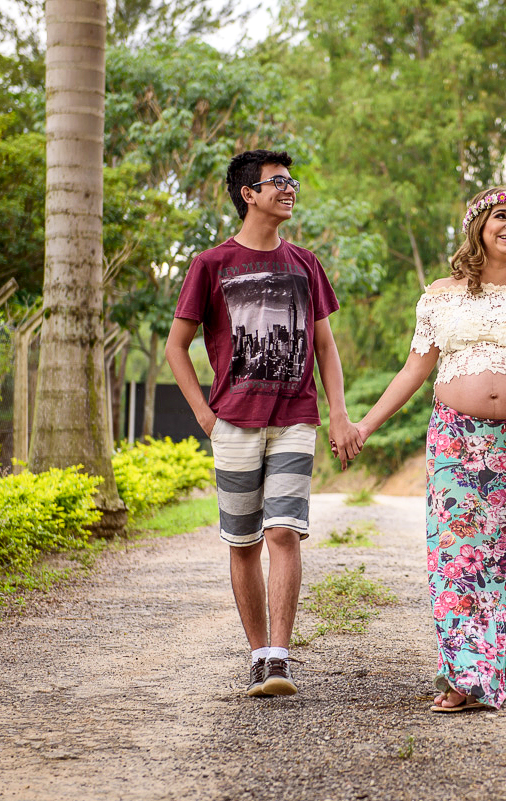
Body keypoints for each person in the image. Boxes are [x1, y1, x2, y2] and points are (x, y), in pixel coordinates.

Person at [352, 187, 506, 712]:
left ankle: (488, 673)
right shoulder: (440, 295)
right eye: (501, 216)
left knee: (501, 560)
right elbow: (414, 370)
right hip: (455, 438)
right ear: (478, 225)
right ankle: (459, 677)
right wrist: (364, 424)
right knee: (456, 558)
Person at [165, 148, 361, 699]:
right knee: (244, 540)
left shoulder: (305, 264)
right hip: (233, 421)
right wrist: (205, 413)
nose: (289, 189)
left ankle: (279, 657)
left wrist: (338, 413)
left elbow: (325, 345)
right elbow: (175, 347)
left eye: (292, 181)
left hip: (296, 417)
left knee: (282, 531)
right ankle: (256, 653)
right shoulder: (211, 265)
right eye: (277, 182)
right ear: (248, 194)